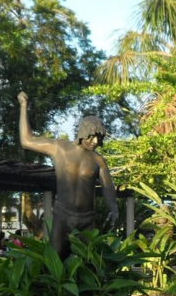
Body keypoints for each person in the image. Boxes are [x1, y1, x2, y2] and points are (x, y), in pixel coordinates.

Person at [18, 91, 118, 259]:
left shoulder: (98, 161)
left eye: (99, 138)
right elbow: (26, 141)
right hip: (63, 216)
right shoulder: (60, 148)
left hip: (87, 220)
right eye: (92, 137)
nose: (95, 142)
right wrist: (23, 106)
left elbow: (108, 187)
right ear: (83, 133)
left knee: (89, 263)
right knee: (55, 260)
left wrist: (113, 209)